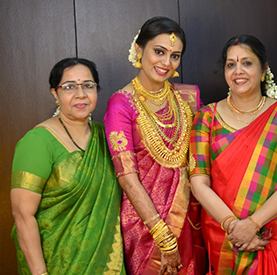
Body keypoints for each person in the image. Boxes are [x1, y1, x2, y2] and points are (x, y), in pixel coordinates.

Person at [189, 35, 277, 274]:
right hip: (227, 238)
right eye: (231, 64)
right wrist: (234, 227)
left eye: (247, 63)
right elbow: (198, 183)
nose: (238, 71)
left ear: (263, 70)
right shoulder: (206, 118)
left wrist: (253, 224)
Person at [104, 16, 205, 275]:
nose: (166, 63)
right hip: (145, 226)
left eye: (175, 56)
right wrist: (163, 236)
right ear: (139, 50)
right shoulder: (121, 104)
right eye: (159, 52)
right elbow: (127, 177)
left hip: (190, 218)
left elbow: (206, 154)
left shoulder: (188, 98)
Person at [10, 58, 126, 275]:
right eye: (69, 87)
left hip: (106, 263)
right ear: (55, 93)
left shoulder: (109, 138)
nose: (81, 94)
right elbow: (22, 214)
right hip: (55, 265)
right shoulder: (38, 141)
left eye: (88, 86)